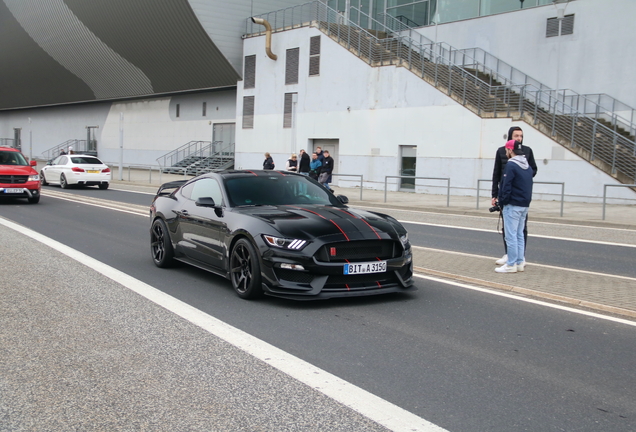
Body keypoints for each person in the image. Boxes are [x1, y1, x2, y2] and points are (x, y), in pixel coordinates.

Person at [491, 126, 537, 266]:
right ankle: (509, 254)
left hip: (518, 195)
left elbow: (533, 169)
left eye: (521, 136)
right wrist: (495, 194)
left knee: (520, 230)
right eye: (516, 135)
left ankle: (518, 257)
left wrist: (521, 179)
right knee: (508, 228)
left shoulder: (527, 151)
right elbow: (496, 173)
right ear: (510, 136)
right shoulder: (501, 151)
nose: (519, 138)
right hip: (506, 194)